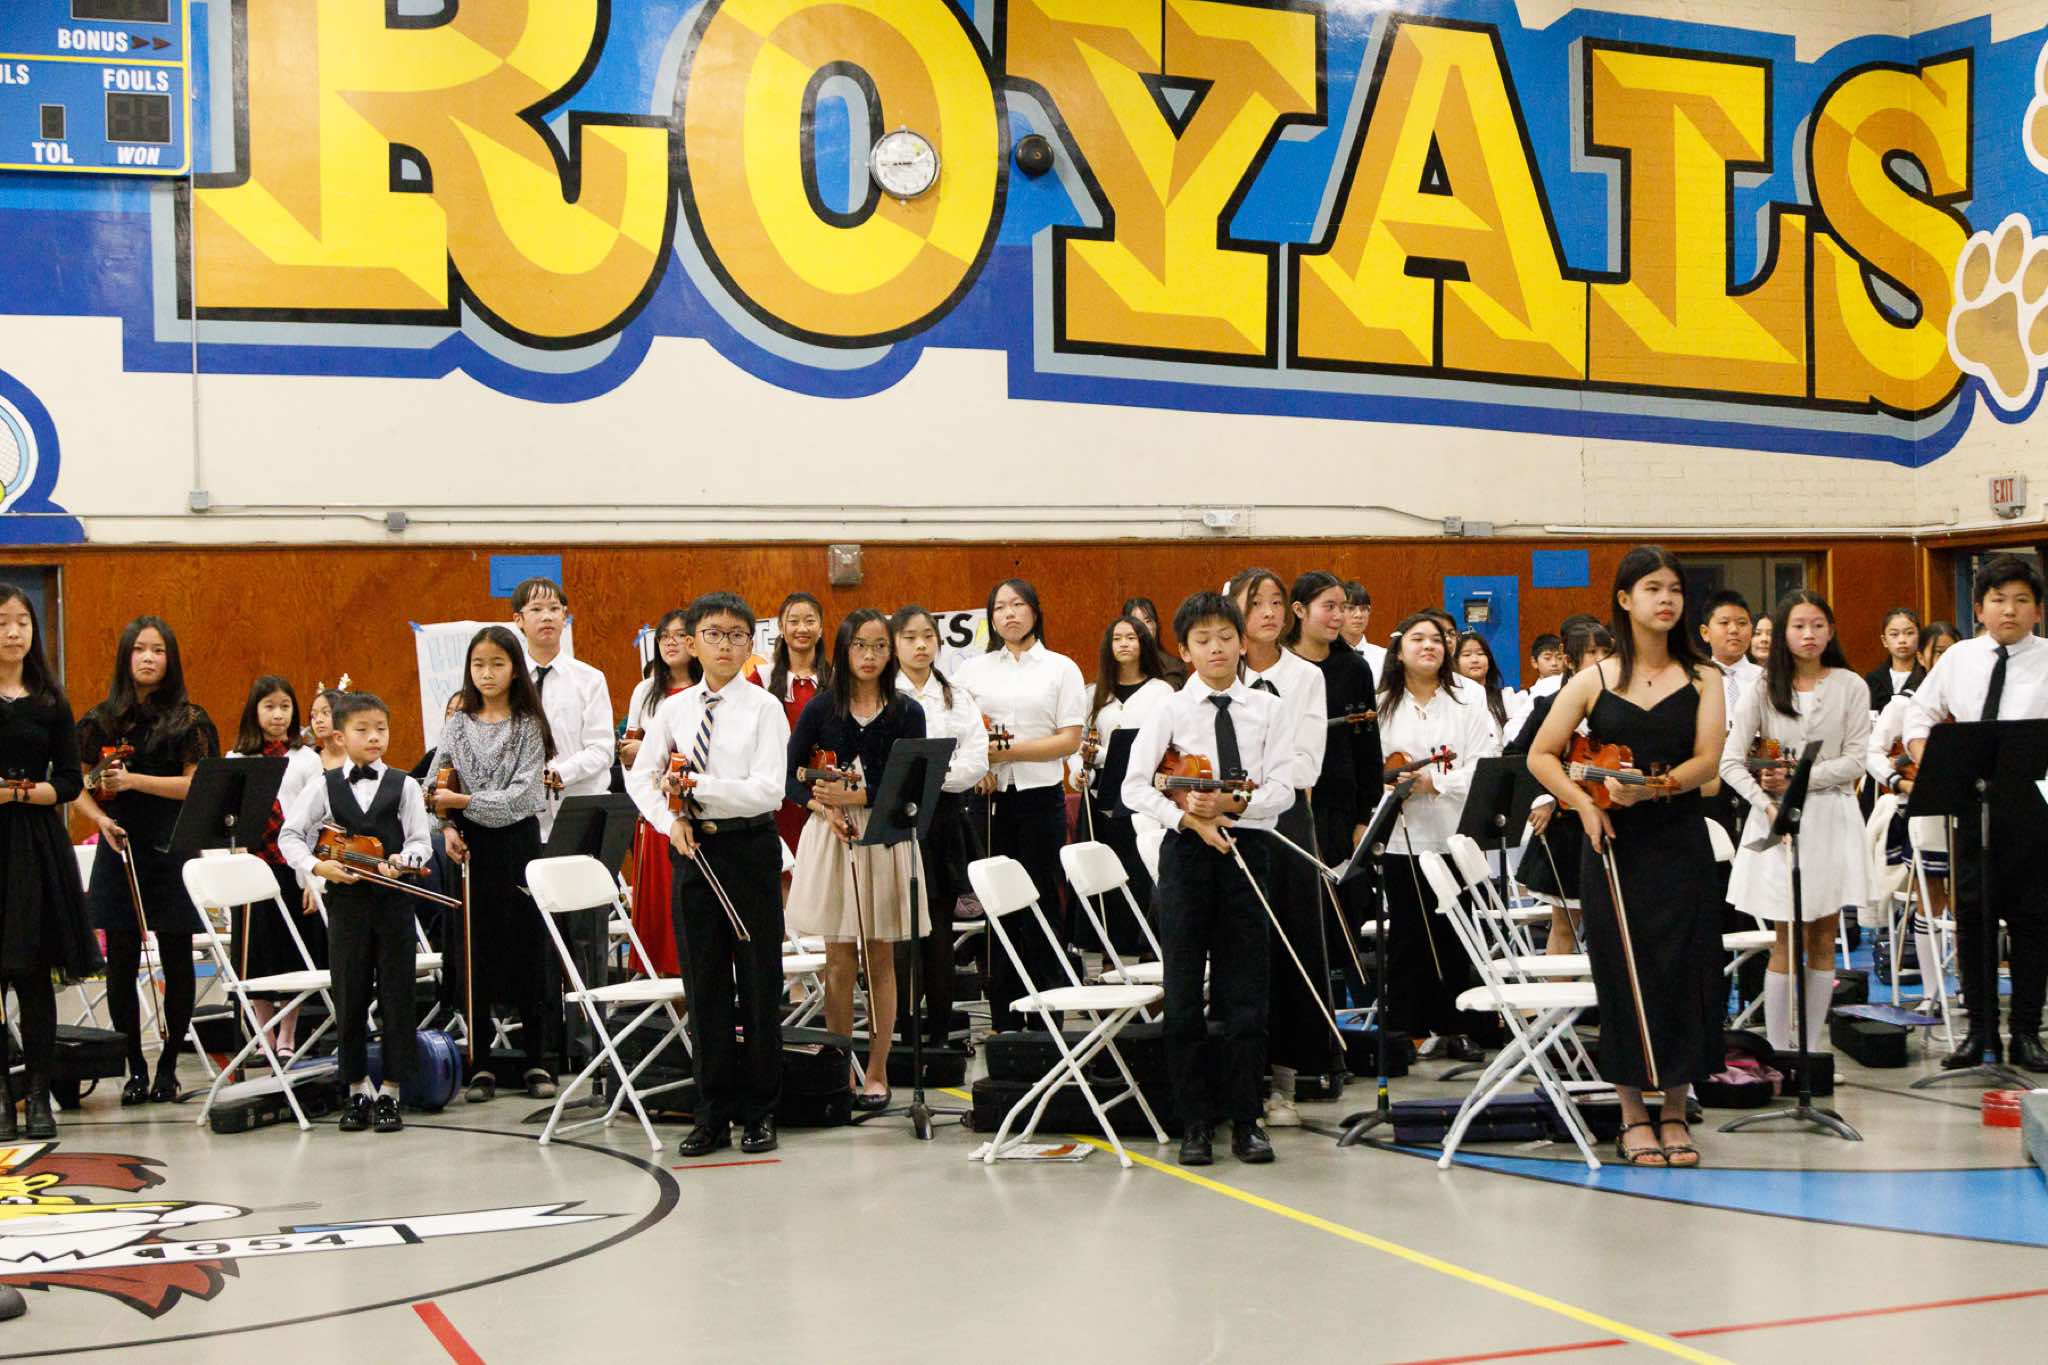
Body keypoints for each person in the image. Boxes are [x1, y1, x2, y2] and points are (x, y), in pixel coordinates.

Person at [1528, 546, 1726, 1169]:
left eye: (1674, 589)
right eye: (1651, 589)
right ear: (1624, 599)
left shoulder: (1704, 677)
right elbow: (1541, 755)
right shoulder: (1594, 680)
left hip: (1680, 840)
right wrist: (1584, 808)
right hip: (1613, 847)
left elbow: (1708, 763)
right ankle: (1632, 1114)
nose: (1665, 600)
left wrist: (1657, 788)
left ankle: (1675, 1110)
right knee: (1620, 975)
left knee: (1685, 972)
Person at [1124, 591, 1293, 1167]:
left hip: (1249, 851)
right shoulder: (1169, 710)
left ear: (1243, 642)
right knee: (1182, 992)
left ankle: (1247, 1119)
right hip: (1186, 856)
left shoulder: (1268, 708)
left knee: (1247, 991)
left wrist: (1232, 807)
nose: (1216, 648)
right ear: (1184, 650)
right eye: (1203, 640)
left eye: (1225, 637)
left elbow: (1283, 788)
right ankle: (1194, 1122)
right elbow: (1133, 787)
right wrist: (1187, 820)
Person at [627, 593, 790, 1156]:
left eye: (736, 635)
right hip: (691, 850)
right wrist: (668, 821)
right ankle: (712, 1112)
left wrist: (700, 787)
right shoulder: (673, 709)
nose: (725, 644)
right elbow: (641, 778)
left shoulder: (764, 708)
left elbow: (768, 790)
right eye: (713, 634)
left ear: (750, 645)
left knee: (759, 981)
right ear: (692, 643)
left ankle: (761, 1110)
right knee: (705, 985)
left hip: (749, 849)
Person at [1905, 555, 2048, 1073]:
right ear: (1979, 608)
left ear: (2038, 611)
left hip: (2034, 809)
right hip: (1972, 804)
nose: (2009, 610)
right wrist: (1931, 757)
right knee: (1974, 919)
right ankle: (1979, 1031)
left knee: (2032, 921)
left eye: (2022, 600)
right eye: (1998, 600)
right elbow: (1918, 714)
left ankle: (2026, 1032)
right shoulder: (1960, 658)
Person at [786, 610, 930, 1108]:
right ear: (843, 650)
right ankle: (840, 1068)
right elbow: (790, 778)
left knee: (881, 953)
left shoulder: (908, 712)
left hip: (885, 834)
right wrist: (824, 809)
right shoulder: (820, 708)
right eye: (860, 646)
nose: (870, 656)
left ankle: (878, 1069)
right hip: (831, 835)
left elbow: (912, 783)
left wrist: (860, 798)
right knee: (839, 957)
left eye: (879, 646)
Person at [73, 616, 219, 1105]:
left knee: (176, 956)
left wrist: (134, 781)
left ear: (170, 659)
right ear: (126, 657)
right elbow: (76, 784)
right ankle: (134, 1065)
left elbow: (195, 785)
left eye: (158, 650)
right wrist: (100, 819)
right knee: (121, 960)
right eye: (139, 649)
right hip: (119, 844)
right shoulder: (99, 720)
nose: (149, 658)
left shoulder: (191, 720)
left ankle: (169, 1065)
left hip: (171, 844)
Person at [1720, 592, 1870, 1054]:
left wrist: (1800, 778)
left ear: (1831, 631)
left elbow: (1856, 760)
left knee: (1824, 936)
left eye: (1818, 625)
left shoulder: (1850, 685)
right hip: (1779, 820)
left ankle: (1812, 1050)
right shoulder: (1764, 687)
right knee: (1786, 936)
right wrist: (1766, 803)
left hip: (1832, 816)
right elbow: (1730, 762)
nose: (1809, 635)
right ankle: (1780, 1052)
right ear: (1783, 633)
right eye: (1799, 626)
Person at [280, 692, 433, 1133]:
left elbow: (420, 841)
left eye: (381, 729)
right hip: (346, 904)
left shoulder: (404, 784)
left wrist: (404, 860)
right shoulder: (323, 785)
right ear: (340, 737)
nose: (373, 737)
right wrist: (318, 867)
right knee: (349, 995)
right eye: (362, 730)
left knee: (398, 996)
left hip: (393, 903)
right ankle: (356, 1088)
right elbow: (291, 835)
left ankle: (392, 1091)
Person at [431, 625, 557, 1102]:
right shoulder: (458, 723)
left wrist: (463, 801)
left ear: (515, 669)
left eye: (497, 664)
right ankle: (480, 1062)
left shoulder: (528, 724)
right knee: (475, 952)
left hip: (517, 846)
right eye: (478, 665)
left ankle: (537, 1060)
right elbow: (434, 786)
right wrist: (447, 826)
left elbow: (523, 797)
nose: (487, 673)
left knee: (527, 949)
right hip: (470, 849)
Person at [954, 579, 1085, 1031]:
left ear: (1035, 611)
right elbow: (961, 731)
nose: (1009, 614)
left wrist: (1007, 753)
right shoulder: (972, 671)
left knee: (1043, 901)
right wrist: (980, 764)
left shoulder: (1060, 668)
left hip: (1040, 797)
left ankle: (1048, 1015)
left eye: (1018, 605)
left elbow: (1069, 739)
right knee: (997, 906)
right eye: (1000, 607)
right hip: (988, 799)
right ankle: (1004, 1017)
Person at [1228, 568, 1330, 1124]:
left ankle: (1288, 1078)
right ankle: (1241, 1075)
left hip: (1284, 819)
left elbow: (1306, 762)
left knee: (1293, 941)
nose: (1268, 612)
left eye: (1275, 602)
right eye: (1255, 603)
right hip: (1227, 820)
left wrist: (1257, 785)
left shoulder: (1306, 676)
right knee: (1241, 945)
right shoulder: (1221, 672)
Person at [1376, 612, 1500, 1063]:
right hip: (1401, 834)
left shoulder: (1468, 696)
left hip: (1455, 833)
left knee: (1456, 932)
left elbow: (1484, 760)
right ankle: (1406, 1030)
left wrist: (1438, 783)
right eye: (1417, 638)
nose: (1428, 646)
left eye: (1436, 639)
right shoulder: (1380, 702)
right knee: (1407, 934)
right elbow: (1371, 765)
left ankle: (1457, 1026)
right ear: (1398, 650)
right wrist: (1390, 785)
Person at [0, 586, 98, 1140]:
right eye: (2, 622)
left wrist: (25, 792)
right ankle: (3, 1097)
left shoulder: (49, 699)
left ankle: (39, 1095)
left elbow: (68, 779)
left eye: (23, 621)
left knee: (34, 974)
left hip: (35, 844)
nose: (14, 631)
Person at [1281, 570, 1379, 1117]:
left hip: (1340, 807)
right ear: (1299, 611)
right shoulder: (1280, 667)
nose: (1340, 616)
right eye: (1329, 606)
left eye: (1344, 606)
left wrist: (1366, 814)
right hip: (1291, 806)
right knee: (1303, 923)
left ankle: (1337, 1042)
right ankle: (1307, 1042)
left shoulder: (1354, 668)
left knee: (1342, 919)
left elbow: (1368, 746)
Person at [890, 605, 989, 1052]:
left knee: (940, 927)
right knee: (903, 930)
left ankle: (941, 1031)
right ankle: (904, 1031)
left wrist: (932, 777)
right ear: (895, 644)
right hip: (897, 817)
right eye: (910, 637)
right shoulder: (884, 694)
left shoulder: (956, 695)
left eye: (928, 636)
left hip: (945, 816)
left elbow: (975, 757)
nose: (920, 645)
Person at [225, 675, 322, 1058]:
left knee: (293, 953)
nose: (278, 715)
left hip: (291, 866)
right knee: (256, 955)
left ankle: (288, 1035)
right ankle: (263, 1034)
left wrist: (312, 876)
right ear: (254, 711)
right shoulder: (237, 760)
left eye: (285, 707)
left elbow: (318, 818)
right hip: (252, 868)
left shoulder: (306, 759)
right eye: (269, 707)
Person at [1508, 622, 1614, 954]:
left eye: (1606, 651)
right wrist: (1546, 797)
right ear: (1570, 660)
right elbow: (1516, 755)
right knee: (1565, 924)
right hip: (1566, 827)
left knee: (1614, 925)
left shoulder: (1622, 705)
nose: (1601, 659)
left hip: (1615, 823)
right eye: (1592, 652)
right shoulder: (1550, 705)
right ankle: (1558, 991)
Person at [1075, 614, 1177, 955]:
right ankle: (1108, 956)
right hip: (1101, 796)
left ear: (1144, 643)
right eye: (1117, 638)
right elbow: (1079, 745)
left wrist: (1106, 755)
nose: (1124, 644)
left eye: (1131, 637)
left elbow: (1166, 744)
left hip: (1145, 798)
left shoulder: (1161, 691)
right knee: (1105, 879)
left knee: (1141, 872)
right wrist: (1079, 770)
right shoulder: (1093, 693)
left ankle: (1148, 951)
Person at [511, 578, 613, 841]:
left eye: (554, 609)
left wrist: (558, 773)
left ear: (565, 617)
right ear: (518, 619)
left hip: (580, 809)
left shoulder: (590, 679)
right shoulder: (509, 681)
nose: (547, 616)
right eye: (536, 609)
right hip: (523, 816)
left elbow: (602, 750)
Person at [621, 610, 691, 977]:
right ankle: (663, 983)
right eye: (664, 636)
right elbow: (630, 749)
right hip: (656, 807)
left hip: (694, 806)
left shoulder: (706, 688)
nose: (671, 642)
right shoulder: (645, 690)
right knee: (660, 905)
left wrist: (651, 749)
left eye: (680, 635)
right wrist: (637, 754)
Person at [750, 592, 833, 857]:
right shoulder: (760, 678)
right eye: (794, 621)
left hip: (822, 792)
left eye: (810, 621)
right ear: (781, 627)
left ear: (821, 628)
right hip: (775, 794)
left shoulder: (836, 679)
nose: (802, 628)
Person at [1453, 631, 1513, 741]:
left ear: (1489, 661)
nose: (1475, 660)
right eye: (1466, 655)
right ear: (1455, 663)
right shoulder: (1452, 700)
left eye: (1480, 654)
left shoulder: (1505, 696)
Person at [1864, 607, 1925, 713]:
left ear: (1919, 636)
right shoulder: (1874, 680)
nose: (1902, 640)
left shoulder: (1928, 676)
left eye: (1909, 633)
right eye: (1894, 634)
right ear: (1884, 640)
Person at [1340, 581, 1387, 680]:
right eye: (1350, 608)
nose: (1359, 615)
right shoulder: (1324, 655)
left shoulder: (1384, 657)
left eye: (1364, 609)